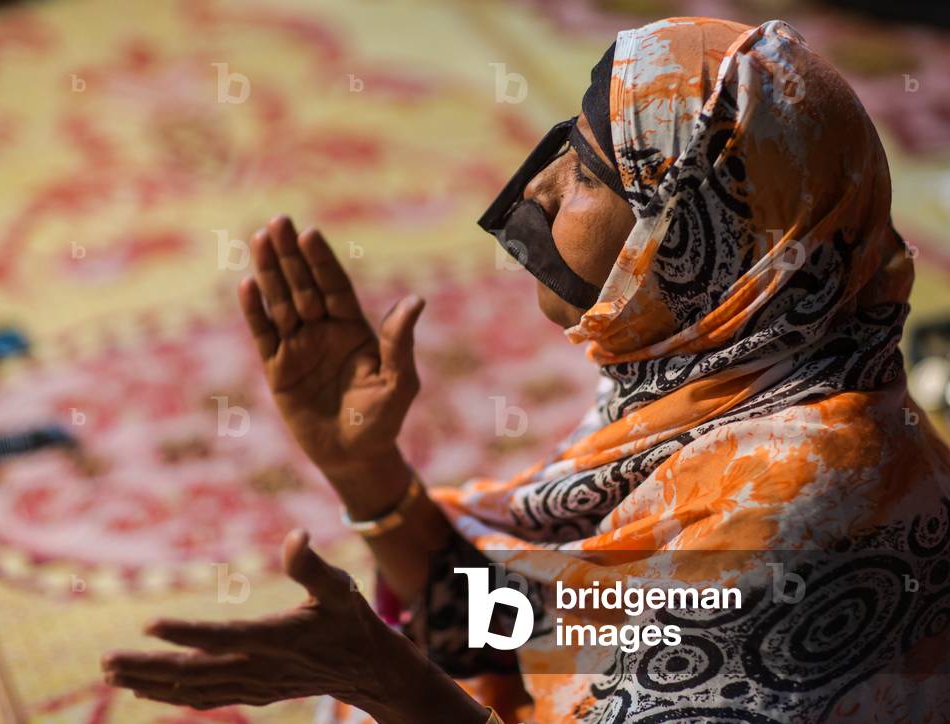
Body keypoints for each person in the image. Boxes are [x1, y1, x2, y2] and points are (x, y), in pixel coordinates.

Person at [102, 17, 950, 723]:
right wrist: (365, 471)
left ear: (706, 235)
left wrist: (386, 683)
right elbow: (530, 625)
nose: (536, 191)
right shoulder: (719, 390)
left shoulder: (799, 502)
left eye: (589, 174)